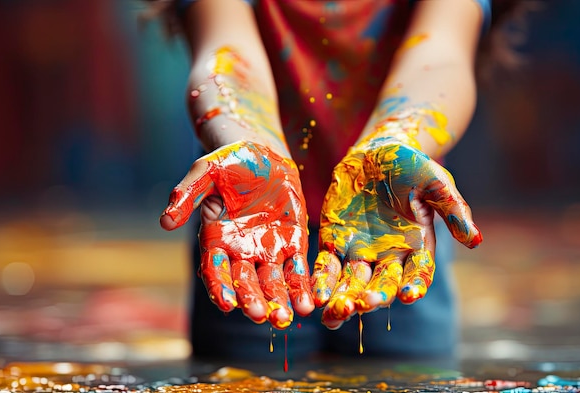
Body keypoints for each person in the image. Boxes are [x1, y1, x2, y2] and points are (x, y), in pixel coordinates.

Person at [148, 0, 510, 360]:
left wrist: (395, 142)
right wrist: (251, 144)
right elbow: (225, 50)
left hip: (395, 227)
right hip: (249, 230)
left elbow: (442, 55)